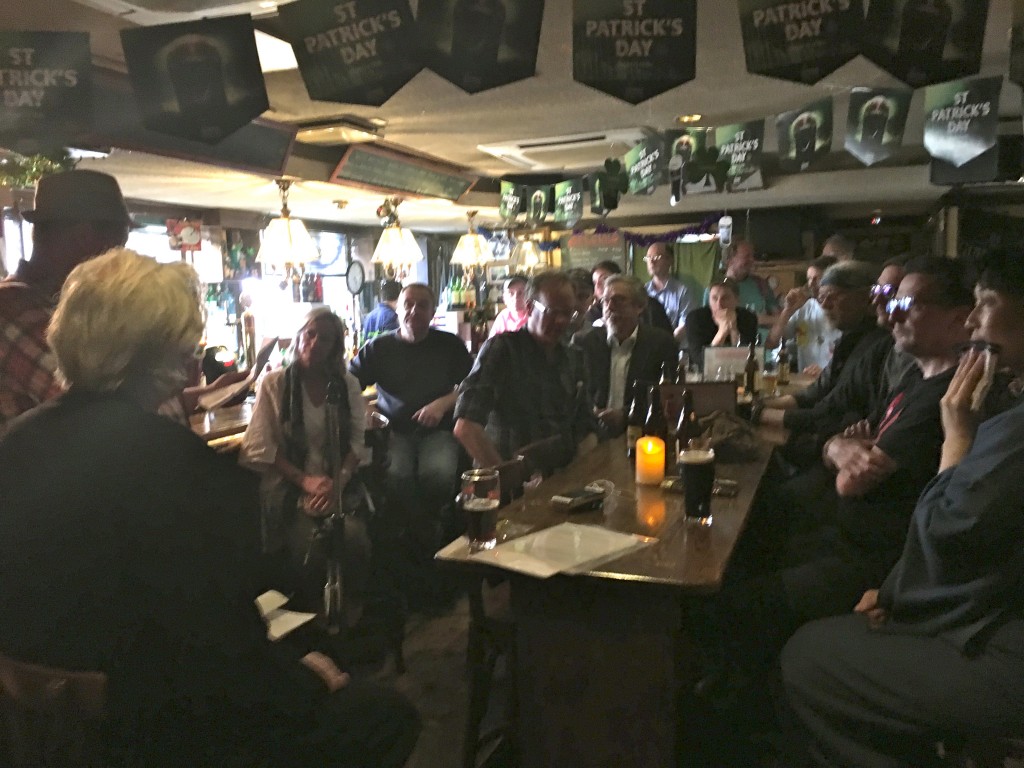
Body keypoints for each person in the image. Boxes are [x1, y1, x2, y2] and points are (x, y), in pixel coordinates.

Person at [0, 248, 420, 768]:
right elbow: (223, 657)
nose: (193, 354)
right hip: (162, 730)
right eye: (185, 341)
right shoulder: (184, 468)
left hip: (41, 734)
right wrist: (305, 677)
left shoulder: (13, 445)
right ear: (156, 354)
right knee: (387, 715)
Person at [687, 257, 976, 766]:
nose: (890, 314)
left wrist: (841, 452)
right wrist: (837, 446)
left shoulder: (945, 398)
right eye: (888, 301)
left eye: (906, 303)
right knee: (744, 551)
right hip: (847, 539)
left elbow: (853, 478)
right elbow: (849, 436)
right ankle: (745, 698)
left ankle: (732, 729)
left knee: (732, 600)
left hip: (873, 563)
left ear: (960, 317)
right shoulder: (916, 382)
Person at [781, 248, 1024, 768]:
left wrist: (957, 437)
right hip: (971, 604)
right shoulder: (983, 397)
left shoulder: (993, 415)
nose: (975, 320)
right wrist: (895, 589)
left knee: (808, 657)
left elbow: (946, 530)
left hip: (998, 641)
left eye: (986, 304)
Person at [240, 307, 370, 614]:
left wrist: (337, 484)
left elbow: (356, 443)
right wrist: (305, 482)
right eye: (309, 334)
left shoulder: (346, 384)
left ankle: (349, 616)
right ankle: (313, 623)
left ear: (335, 347)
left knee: (354, 539)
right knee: (309, 547)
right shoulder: (276, 383)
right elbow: (262, 449)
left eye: (324, 339)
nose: (314, 343)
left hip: (338, 483)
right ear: (298, 337)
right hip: (290, 487)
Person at [349, 283, 472, 603]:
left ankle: (426, 545)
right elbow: (348, 385)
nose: (414, 311)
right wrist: (367, 412)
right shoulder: (379, 348)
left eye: (422, 305)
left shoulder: (449, 345)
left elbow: (472, 384)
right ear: (397, 307)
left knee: (438, 476)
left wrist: (443, 403)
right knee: (398, 477)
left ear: (433, 312)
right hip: (396, 433)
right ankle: (425, 550)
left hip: (439, 431)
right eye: (408, 304)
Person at [0, 170, 131, 435]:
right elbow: (101, 411)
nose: (120, 262)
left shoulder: (61, 307)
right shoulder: (13, 310)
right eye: (117, 248)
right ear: (84, 238)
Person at [454, 270, 598, 469]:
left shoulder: (575, 356)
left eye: (568, 313)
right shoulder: (503, 350)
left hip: (560, 477)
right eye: (553, 312)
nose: (561, 321)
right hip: (506, 475)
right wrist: (508, 475)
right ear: (530, 307)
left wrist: (579, 467)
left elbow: (587, 427)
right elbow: (466, 427)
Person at [759, 261, 893, 442]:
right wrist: (758, 405)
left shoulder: (877, 344)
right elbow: (815, 392)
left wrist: (758, 414)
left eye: (833, 297)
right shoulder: (850, 339)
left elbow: (830, 411)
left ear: (865, 296)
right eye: (821, 297)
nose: (824, 305)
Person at [573, 275, 677, 437]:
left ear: (640, 306)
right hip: (591, 434)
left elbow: (667, 398)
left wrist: (625, 415)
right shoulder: (585, 342)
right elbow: (573, 395)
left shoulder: (661, 344)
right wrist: (590, 413)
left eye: (619, 300)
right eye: (605, 301)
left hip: (641, 432)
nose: (610, 307)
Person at [765, 255, 841, 376]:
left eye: (817, 279)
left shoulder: (842, 310)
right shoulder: (804, 308)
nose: (811, 284)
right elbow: (771, 343)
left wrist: (826, 372)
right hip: (805, 380)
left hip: (833, 380)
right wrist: (787, 310)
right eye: (809, 279)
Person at [684, 278, 759, 371]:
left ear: (736, 300)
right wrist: (722, 331)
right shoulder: (696, 319)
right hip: (703, 378)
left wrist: (733, 329)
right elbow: (701, 360)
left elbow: (747, 359)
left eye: (725, 298)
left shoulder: (748, 318)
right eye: (714, 298)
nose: (719, 304)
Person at [590, 259, 673, 333]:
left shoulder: (651, 306)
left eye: (604, 279)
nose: (598, 285)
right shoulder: (593, 312)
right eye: (594, 282)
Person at [714, 239, 781, 327]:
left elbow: (778, 316)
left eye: (752, 256)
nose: (752, 260)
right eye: (747, 256)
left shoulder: (761, 284)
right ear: (729, 260)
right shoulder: (715, 289)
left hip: (765, 339)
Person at [644, 242, 695, 343]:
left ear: (670, 260)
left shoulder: (682, 291)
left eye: (656, 257)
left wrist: (667, 345)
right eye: (648, 258)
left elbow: (684, 326)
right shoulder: (642, 291)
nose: (651, 262)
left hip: (673, 347)